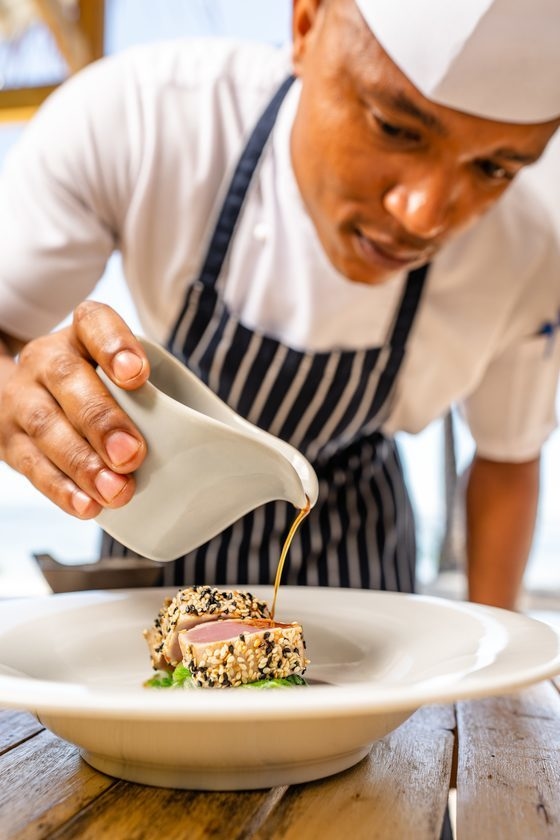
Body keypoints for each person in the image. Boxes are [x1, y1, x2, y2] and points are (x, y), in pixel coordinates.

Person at [0, 0, 559, 610]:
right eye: (394, 128)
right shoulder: (140, 117)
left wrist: (495, 673)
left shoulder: (529, 251)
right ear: (305, 23)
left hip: (359, 573)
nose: (421, 215)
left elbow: (507, 459)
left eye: (495, 167)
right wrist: (25, 402)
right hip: (154, 555)